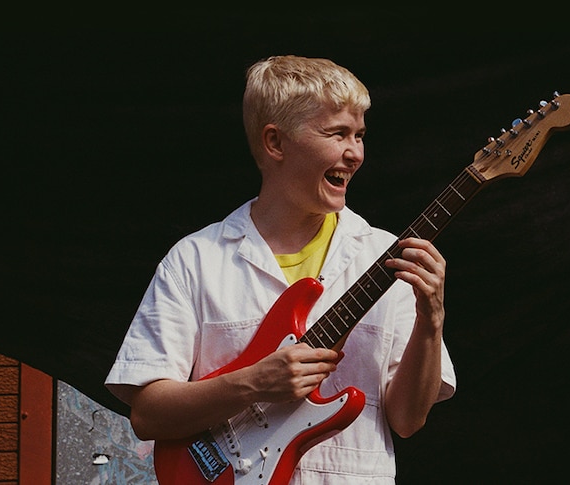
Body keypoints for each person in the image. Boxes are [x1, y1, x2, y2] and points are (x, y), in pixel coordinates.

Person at [105, 54, 456, 484]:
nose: (355, 153)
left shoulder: (385, 256)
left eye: (360, 135)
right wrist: (254, 383)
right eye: (337, 133)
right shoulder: (195, 260)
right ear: (275, 143)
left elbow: (407, 420)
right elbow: (148, 414)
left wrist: (431, 319)